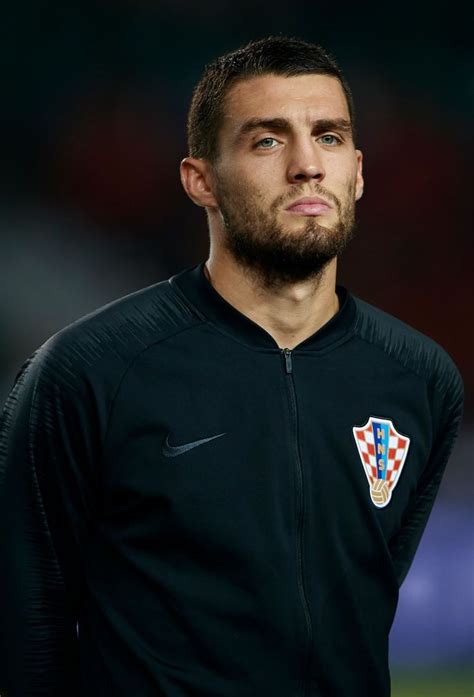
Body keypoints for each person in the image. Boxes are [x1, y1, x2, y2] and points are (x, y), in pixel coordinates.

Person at [0, 36, 464, 697]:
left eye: (328, 137)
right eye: (268, 141)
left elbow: (366, 604)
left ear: (358, 171)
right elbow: (27, 630)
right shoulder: (88, 372)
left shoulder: (420, 377)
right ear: (200, 180)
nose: (307, 165)